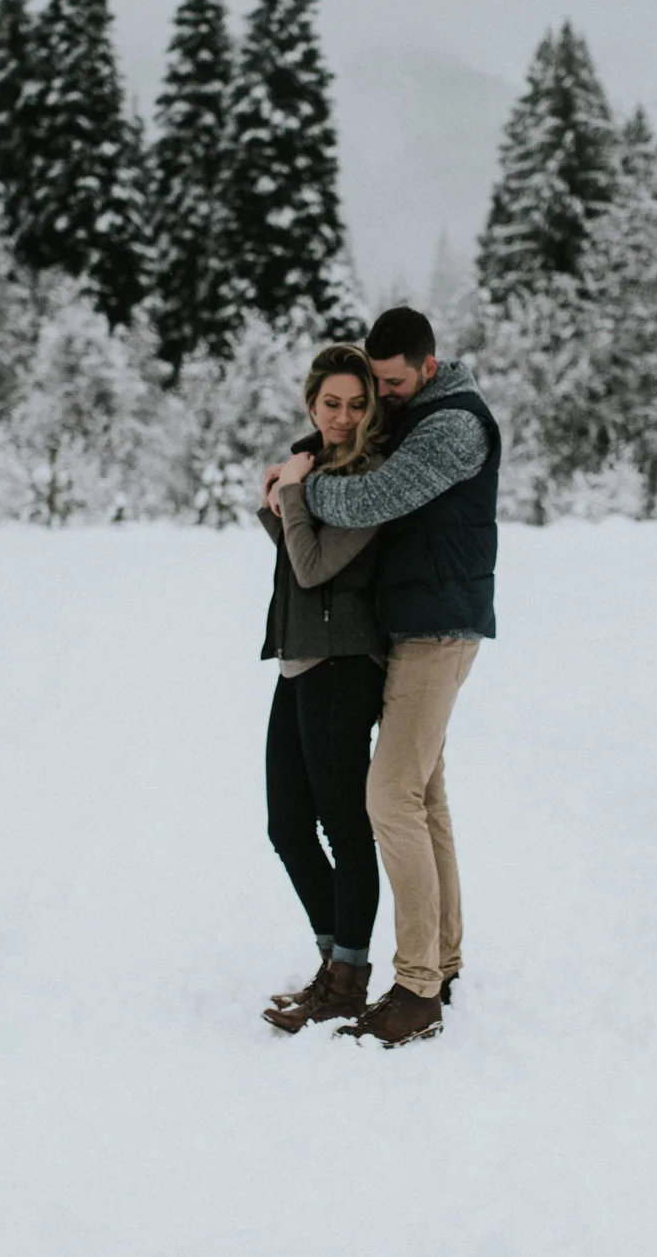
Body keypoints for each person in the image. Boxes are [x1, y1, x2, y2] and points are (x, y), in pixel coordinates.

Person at [272, 306, 498, 1050]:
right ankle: (445, 960)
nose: (383, 394)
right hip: (412, 625)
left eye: (392, 383)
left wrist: (296, 487)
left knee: (388, 797)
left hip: (438, 628)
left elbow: (370, 498)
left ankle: (417, 987)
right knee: (424, 799)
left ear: (428, 367)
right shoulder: (417, 413)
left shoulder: (453, 424)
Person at [254, 344, 390, 1034]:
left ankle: (350, 977)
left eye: (357, 403)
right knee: (286, 824)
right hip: (301, 658)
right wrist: (276, 503)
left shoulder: (369, 478)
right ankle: (333, 962)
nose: (343, 416)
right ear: (312, 404)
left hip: (345, 664)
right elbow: (300, 563)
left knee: (344, 825)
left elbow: (311, 569)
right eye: (331, 403)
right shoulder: (312, 467)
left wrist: (292, 495)